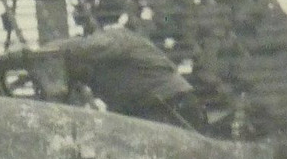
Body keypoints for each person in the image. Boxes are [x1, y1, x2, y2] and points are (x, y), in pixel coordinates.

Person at [47, 26, 206, 130]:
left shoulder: (113, 38)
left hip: (169, 104)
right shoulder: (107, 73)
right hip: (161, 106)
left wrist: (48, 49)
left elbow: (89, 46)